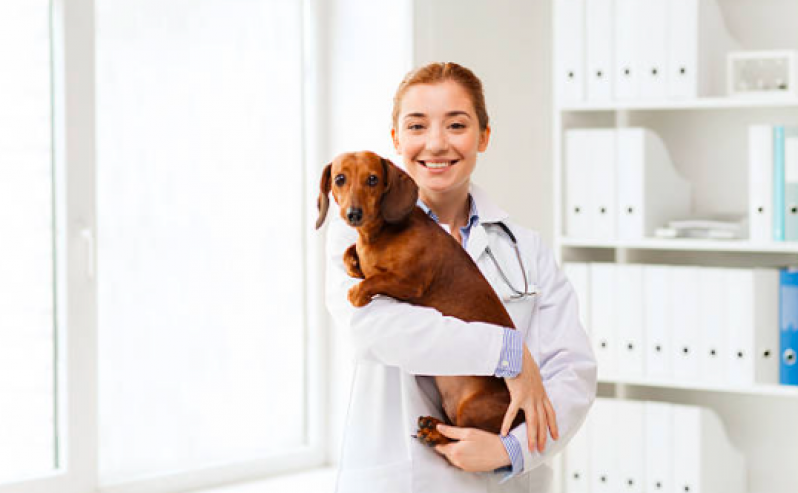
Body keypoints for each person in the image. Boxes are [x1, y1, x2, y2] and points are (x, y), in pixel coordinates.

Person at [324, 62, 596, 493]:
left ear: (483, 137)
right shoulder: (357, 232)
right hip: (403, 478)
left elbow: (572, 371)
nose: (436, 143)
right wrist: (507, 351)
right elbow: (376, 330)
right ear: (396, 139)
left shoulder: (525, 248)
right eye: (417, 125)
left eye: (456, 125)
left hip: (503, 479)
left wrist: (512, 449)